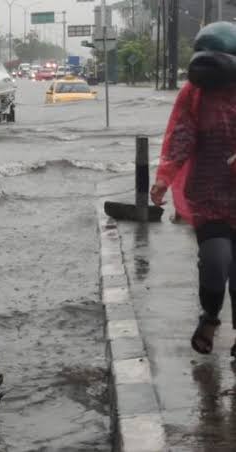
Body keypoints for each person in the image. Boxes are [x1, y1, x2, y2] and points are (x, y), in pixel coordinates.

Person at [151, 22, 236, 357]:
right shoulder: (194, 94)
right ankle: (211, 317)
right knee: (216, 260)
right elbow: (181, 137)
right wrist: (164, 177)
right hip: (209, 194)